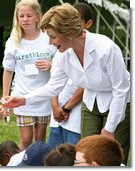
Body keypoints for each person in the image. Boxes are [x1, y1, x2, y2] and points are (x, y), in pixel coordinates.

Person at [3, 2, 130, 165]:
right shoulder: (62, 56)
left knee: (113, 155)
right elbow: (53, 87)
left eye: (53, 36)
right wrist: (23, 99)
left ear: (68, 32)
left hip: (120, 100)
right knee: (85, 153)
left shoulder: (106, 48)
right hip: (91, 101)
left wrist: (110, 128)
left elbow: (121, 90)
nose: (49, 42)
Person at [2, 0, 56, 150]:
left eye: (29, 15)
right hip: (21, 97)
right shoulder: (14, 41)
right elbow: (8, 70)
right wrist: (5, 97)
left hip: (43, 97)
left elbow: (62, 61)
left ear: (38, 17)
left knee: (40, 139)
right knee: (25, 140)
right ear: (17, 18)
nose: (25, 19)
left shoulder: (48, 37)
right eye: (21, 16)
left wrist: (50, 65)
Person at [47, 2, 93, 148]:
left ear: (88, 24)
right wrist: (55, 106)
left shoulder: (93, 49)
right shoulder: (61, 52)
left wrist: (67, 108)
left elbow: (86, 84)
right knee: (53, 154)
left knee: (72, 154)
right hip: (57, 114)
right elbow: (53, 82)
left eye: (76, 21)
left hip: (75, 116)